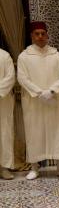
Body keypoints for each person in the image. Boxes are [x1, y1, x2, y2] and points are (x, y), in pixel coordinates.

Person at [17, 21, 59, 179]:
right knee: (35, 133)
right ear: (32, 36)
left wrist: (52, 91)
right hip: (34, 103)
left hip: (54, 102)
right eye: (37, 34)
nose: (40, 36)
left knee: (58, 132)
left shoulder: (57, 56)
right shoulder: (24, 56)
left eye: (43, 33)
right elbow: (22, 78)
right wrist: (40, 93)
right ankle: (35, 168)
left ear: (47, 35)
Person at [0, 47, 14, 179]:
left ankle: (4, 168)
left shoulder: (4, 56)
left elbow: (10, 77)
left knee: (4, 133)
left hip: (3, 102)